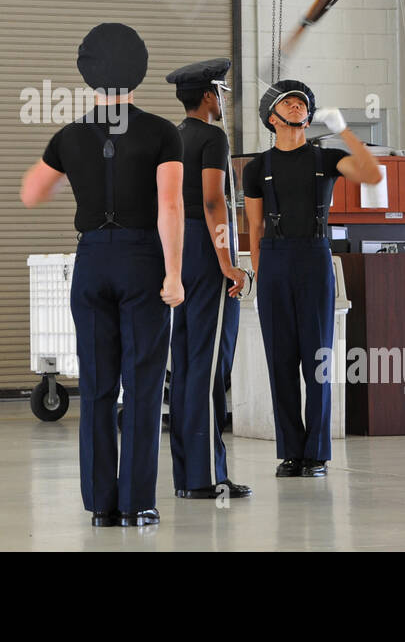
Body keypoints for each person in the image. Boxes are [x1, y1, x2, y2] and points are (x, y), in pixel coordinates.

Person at [20, 23, 184, 528]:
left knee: (95, 386)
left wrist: (79, 176)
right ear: (138, 72)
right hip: (141, 261)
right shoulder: (161, 132)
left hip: (90, 262)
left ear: (89, 77)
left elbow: (31, 192)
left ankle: (101, 506)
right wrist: (174, 275)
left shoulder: (69, 136)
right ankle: (139, 503)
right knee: (141, 385)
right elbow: (171, 204)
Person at [243, 80, 382, 479]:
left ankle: (317, 453)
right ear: (273, 117)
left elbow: (373, 174)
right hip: (274, 261)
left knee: (317, 359)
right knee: (281, 361)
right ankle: (291, 451)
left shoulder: (327, 157)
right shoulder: (257, 167)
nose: (297, 106)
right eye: (288, 101)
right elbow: (254, 227)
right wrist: (260, 273)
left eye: (302, 102)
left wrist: (344, 130)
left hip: (314, 258)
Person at [163, 58, 251, 501]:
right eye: (222, 93)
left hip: (179, 249)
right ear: (209, 96)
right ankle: (207, 475)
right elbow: (214, 201)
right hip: (205, 249)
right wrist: (227, 264)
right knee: (211, 366)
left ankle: (187, 474)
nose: (223, 101)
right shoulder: (211, 137)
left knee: (187, 364)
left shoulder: (173, 137)